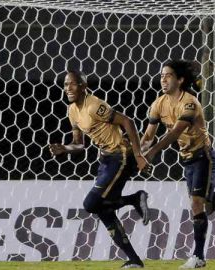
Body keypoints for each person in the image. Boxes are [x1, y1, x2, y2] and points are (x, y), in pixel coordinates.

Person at [141, 60, 215, 269]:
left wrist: (153, 152)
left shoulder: (190, 103)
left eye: (168, 75)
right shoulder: (158, 104)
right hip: (187, 161)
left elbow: (174, 132)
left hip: (204, 157)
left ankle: (199, 257)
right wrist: (139, 153)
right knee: (204, 207)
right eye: (162, 76)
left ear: (180, 79)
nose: (163, 79)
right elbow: (148, 135)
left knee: (196, 205)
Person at [49, 70, 150, 269]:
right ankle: (134, 261)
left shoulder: (94, 105)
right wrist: (65, 149)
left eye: (73, 84)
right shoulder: (72, 111)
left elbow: (127, 121)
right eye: (65, 84)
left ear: (83, 86)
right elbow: (79, 145)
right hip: (105, 159)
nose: (68, 88)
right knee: (103, 210)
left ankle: (134, 198)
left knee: (90, 203)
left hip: (120, 156)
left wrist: (138, 155)